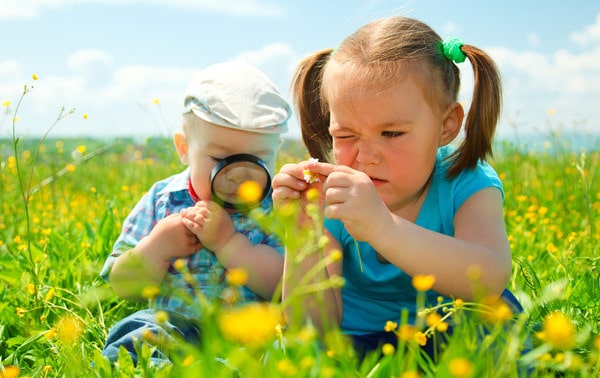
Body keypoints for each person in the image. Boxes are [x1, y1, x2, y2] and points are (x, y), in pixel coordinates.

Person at [272, 16, 525, 359]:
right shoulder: (330, 195)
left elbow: (489, 279)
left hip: (452, 335)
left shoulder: (466, 180)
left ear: (447, 125)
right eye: (345, 136)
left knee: (499, 324)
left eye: (391, 134)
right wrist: (300, 234)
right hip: (358, 343)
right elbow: (313, 327)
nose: (366, 157)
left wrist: (382, 228)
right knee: (286, 353)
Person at [100, 61, 292, 363]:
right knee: (140, 329)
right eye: (219, 157)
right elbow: (122, 283)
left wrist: (229, 244)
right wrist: (156, 247)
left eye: (257, 159)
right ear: (184, 147)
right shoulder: (162, 200)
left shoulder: (277, 206)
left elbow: (283, 286)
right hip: (173, 326)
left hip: (249, 332)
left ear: (276, 151)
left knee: (285, 348)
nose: (238, 174)